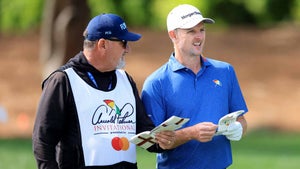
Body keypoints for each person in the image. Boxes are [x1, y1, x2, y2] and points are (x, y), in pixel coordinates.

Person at [33, 13, 174, 169]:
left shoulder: (125, 79)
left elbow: (143, 131)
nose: (128, 49)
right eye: (123, 42)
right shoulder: (62, 81)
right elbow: (43, 142)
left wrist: (162, 140)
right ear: (103, 44)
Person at [141, 4, 248, 169]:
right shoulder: (156, 83)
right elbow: (152, 142)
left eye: (202, 30)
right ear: (173, 35)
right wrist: (191, 133)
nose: (199, 37)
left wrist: (237, 128)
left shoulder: (225, 71)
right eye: (191, 31)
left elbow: (241, 119)